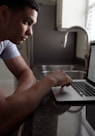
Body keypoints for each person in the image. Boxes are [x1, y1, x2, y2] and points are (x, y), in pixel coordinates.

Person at [0, 0, 72, 135]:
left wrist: (18, 100)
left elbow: (25, 72)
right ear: (4, 14)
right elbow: (3, 120)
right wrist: (50, 80)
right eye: (26, 22)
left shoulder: (5, 42)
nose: (30, 32)